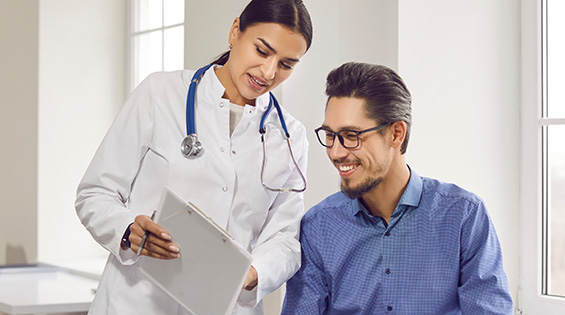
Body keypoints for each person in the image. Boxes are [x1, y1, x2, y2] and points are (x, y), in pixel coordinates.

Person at [75, 0, 312, 314]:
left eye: (286, 64)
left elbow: (285, 237)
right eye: (262, 51)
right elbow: (94, 193)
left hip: (225, 304)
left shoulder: (290, 136)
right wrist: (127, 228)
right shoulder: (160, 94)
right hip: (136, 301)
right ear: (235, 31)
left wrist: (253, 273)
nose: (269, 72)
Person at [282, 62, 513, 314]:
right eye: (330, 135)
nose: (336, 152)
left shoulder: (464, 216)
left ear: (396, 134)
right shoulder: (318, 226)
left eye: (351, 136)